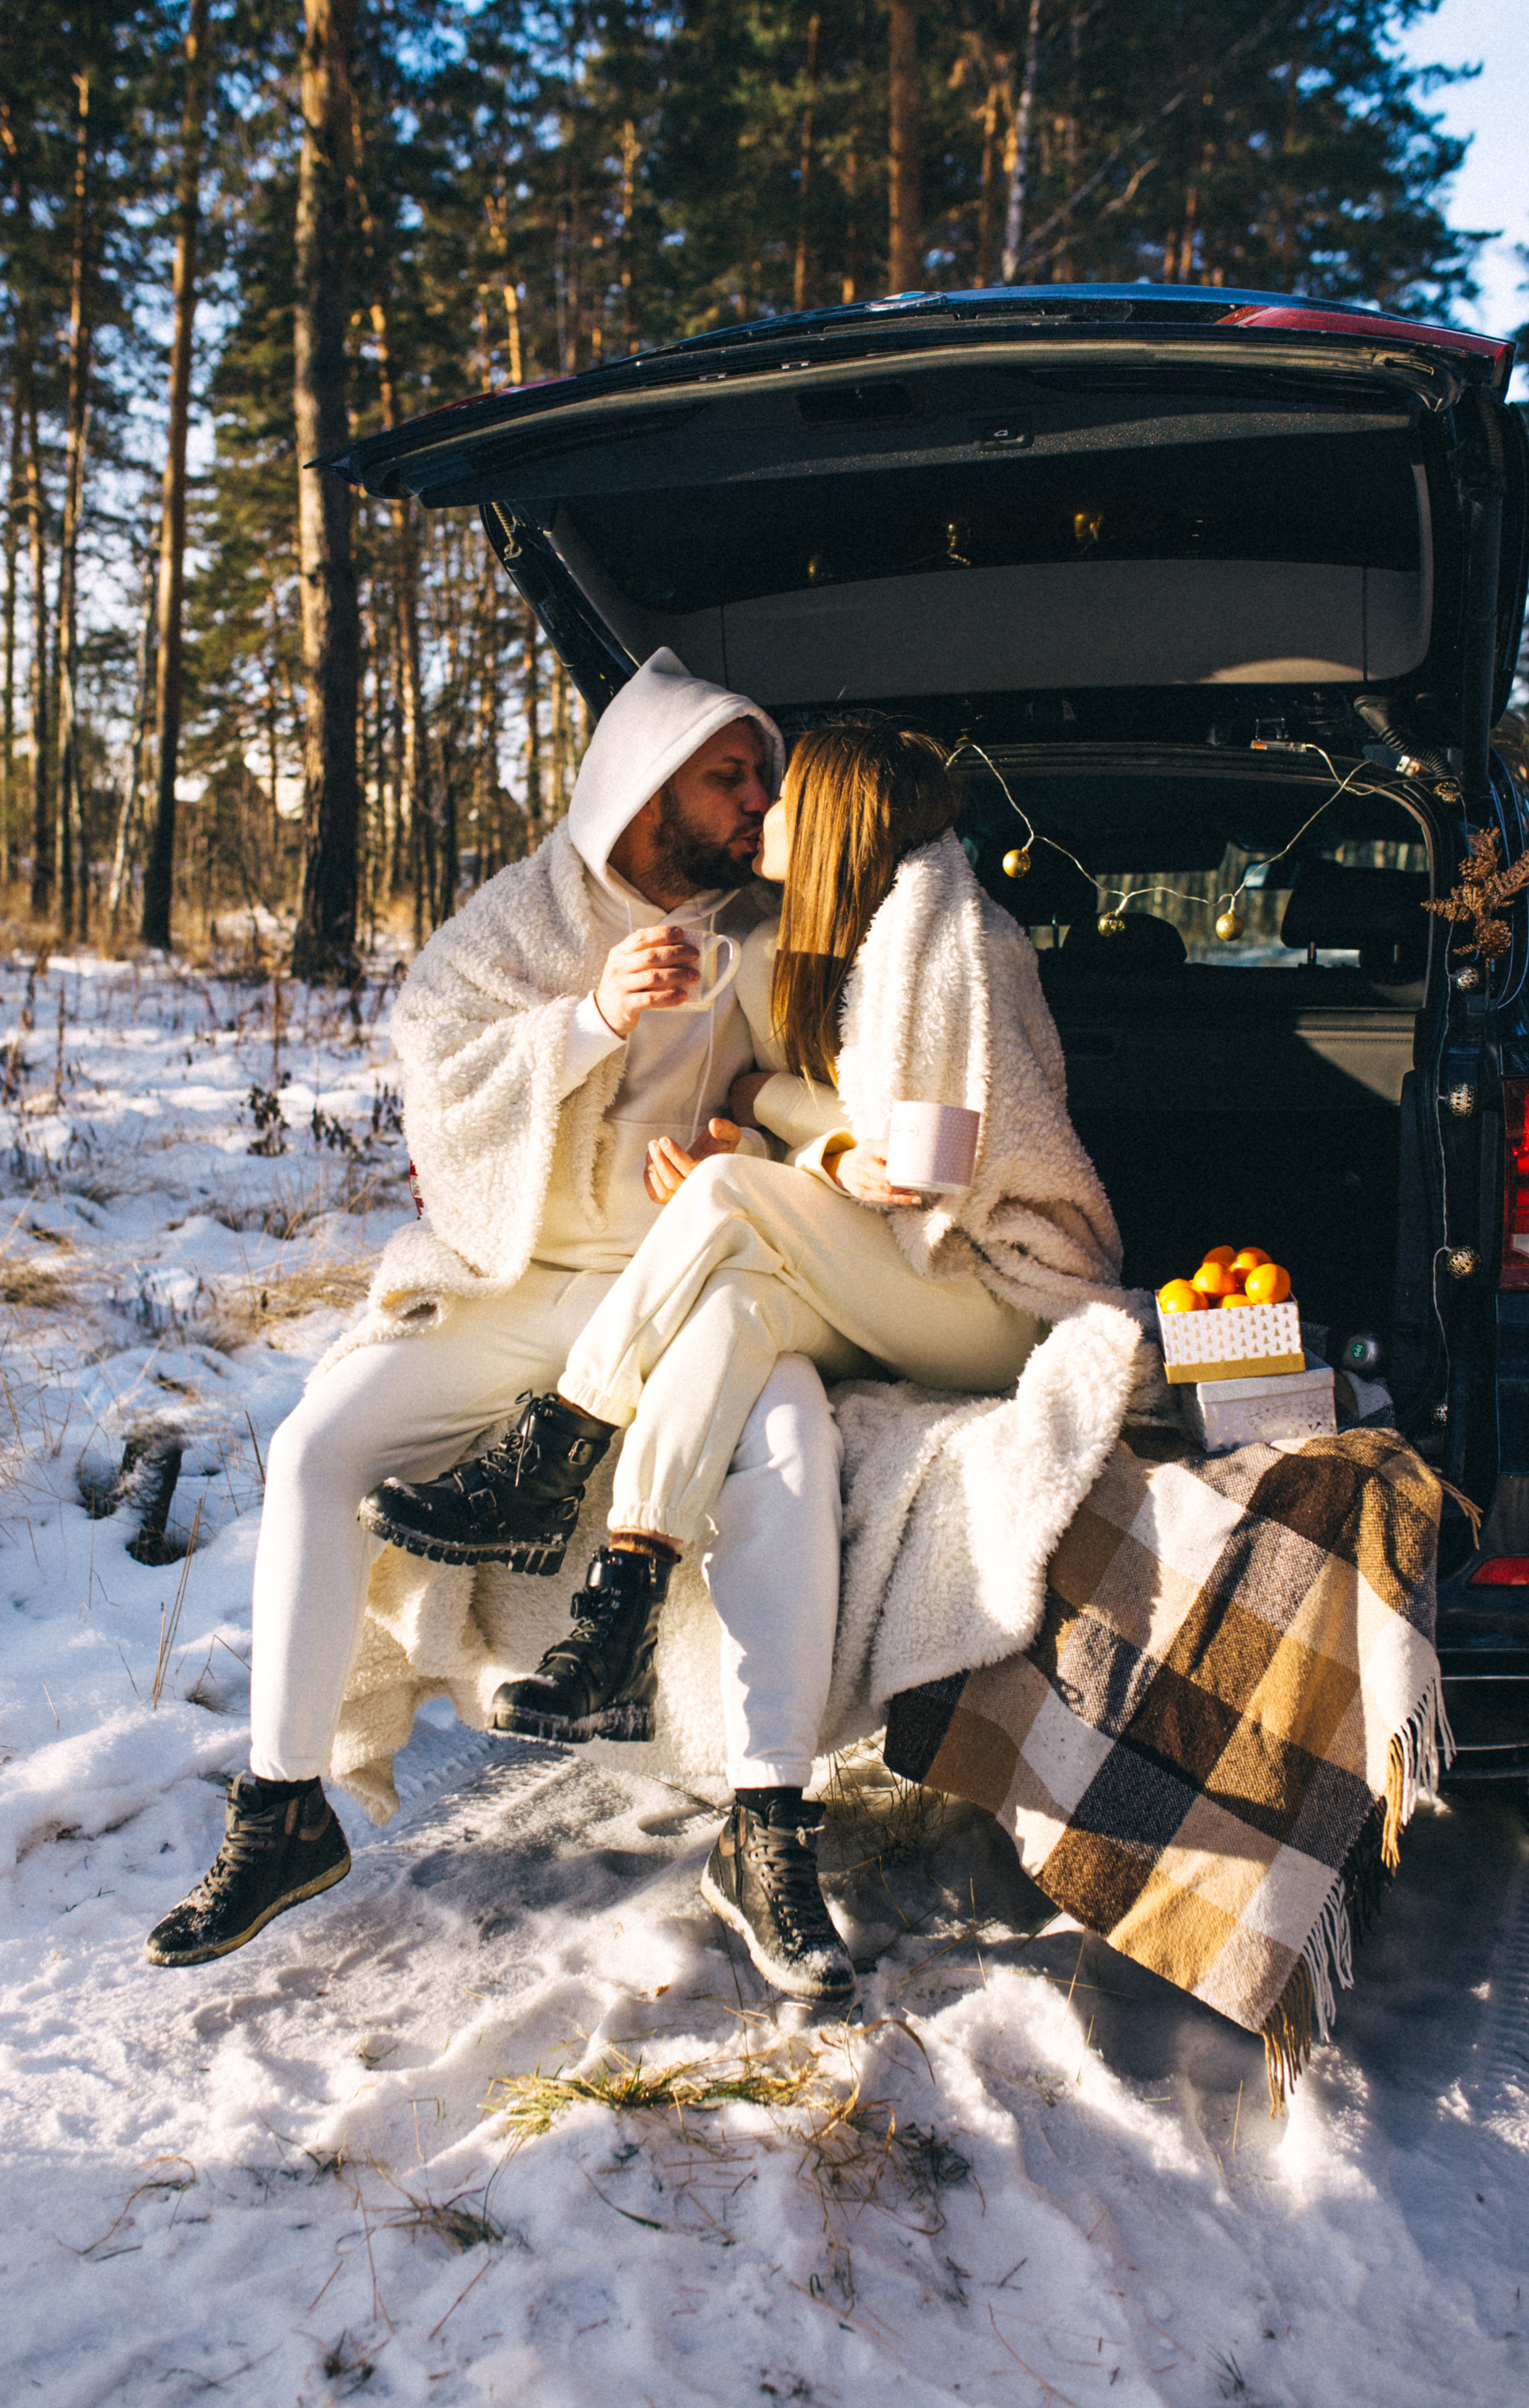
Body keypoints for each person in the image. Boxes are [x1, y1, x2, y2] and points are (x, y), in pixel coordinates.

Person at [145, 650, 859, 2004]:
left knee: (790, 1447)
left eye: (762, 776)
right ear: (648, 786)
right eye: (731, 775)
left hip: (691, 1290)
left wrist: (731, 1132)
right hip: (518, 1280)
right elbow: (440, 1070)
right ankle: (283, 1807)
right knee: (317, 1451)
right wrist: (591, 1017)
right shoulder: (520, 918)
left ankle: (766, 1825)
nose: (756, 799)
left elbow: (807, 1084)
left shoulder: (768, 927)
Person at [364, 724, 1122, 1994]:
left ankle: (555, 1449)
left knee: (721, 1200)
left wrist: (793, 1153)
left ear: (833, 822)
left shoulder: (950, 940)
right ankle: (623, 1603)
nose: (758, 811)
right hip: (910, 1266)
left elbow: (945, 1150)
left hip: (996, 1291)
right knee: (729, 1313)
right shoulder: (865, 936)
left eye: (782, 796)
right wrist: (800, 1141)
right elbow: (829, 1117)